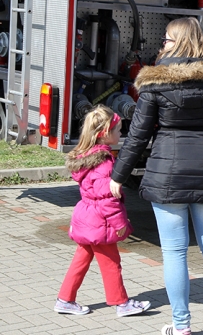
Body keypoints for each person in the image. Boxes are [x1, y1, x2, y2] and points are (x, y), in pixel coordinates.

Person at [110, 17, 203, 335]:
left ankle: (181, 326)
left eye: (166, 40)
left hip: (166, 174)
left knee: (174, 253)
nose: (162, 45)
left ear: (178, 42)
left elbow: (138, 136)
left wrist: (118, 176)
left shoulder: (155, 81)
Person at [55, 106, 151, 317]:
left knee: (81, 260)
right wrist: (120, 224)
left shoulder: (87, 157)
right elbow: (108, 198)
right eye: (117, 130)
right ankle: (121, 303)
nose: (121, 133)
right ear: (104, 133)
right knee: (111, 263)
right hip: (101, 221)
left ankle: (65, 299)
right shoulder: (104, 163)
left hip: (88, 217)